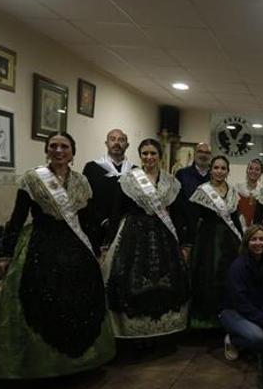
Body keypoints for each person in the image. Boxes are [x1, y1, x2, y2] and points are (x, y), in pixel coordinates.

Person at [0, 132, 115, 378]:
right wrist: (5, 254)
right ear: (47, 150)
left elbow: (87, 220)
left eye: (65, 146)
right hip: (41, 245)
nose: (59, 151)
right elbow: (17, 219)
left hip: (75, 248)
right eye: (54, 146)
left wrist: (101, 242)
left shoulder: (81, 182)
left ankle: (78, 363)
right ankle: (44, 365)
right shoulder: (33, 179)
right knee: (39, 297)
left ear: (73, 153)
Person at [102, 139, 189, 339]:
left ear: (160, 156)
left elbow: (177, 214)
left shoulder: (171, 182)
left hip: (164, 236)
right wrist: (107, 243)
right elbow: (116, 212)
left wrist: (184, 242)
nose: (149, 157)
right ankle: (133, 331)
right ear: (140, 156)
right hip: (133, 235)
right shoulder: (128, 179)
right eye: (145, 154)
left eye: (153, 153)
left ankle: (163, 331)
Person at [188, 155, 243, 330]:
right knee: (207, 276)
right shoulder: (202, 190)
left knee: (228, 276)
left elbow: (234, 218)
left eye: (223, 168)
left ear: (228, 171)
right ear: (211, 170)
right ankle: (206, 320)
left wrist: (242, 240)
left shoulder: (233, 191)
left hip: (229, 241)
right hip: (207, 239)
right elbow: (193, 219)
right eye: (216, 168)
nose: (219, 171)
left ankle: (225, 318)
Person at [220, 225, 263, 360]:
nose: (258, 243)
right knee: (260, 339)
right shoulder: (238, 267)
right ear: (247, 242)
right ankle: (232, 340)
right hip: (233, 312)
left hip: (256, 312)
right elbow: (240, 301)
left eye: (261, 239)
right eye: (253, 239)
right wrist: (262, 320)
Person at [82, 129, 133, 241]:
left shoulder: (134, 171)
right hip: (97, 227)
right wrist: (103, 221)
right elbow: (86, 199)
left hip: (126, 230)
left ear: (127, 145)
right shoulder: (92, 168)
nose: (117, 143)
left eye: (121, 140)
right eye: (112, 139)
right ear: (106, 143)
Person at [235, 158, 263, 228]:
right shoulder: (237, 187)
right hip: (238, 226)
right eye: (251, 168)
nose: (253, 171)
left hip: (255, 227)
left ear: (261, 173)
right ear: (247, 171)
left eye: (257, 169)